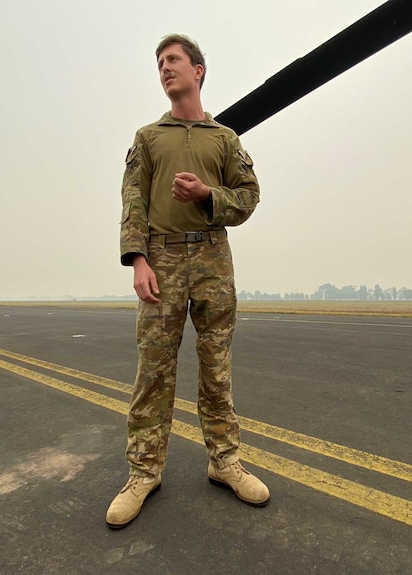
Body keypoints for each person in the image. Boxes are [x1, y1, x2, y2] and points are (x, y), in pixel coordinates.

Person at [106, 34, 269, 528]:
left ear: (198, 71)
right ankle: (143, 471)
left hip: (213, 259)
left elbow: (249, 198)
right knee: (153, 370)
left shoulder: (225, 139)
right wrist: (138, 258)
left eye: (174, 60)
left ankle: (225, 462)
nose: (164, 68)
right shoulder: (148, 137)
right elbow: (132, 199)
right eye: (160, 62)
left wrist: (208, 194)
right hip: (163, 259)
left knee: (216, 366)